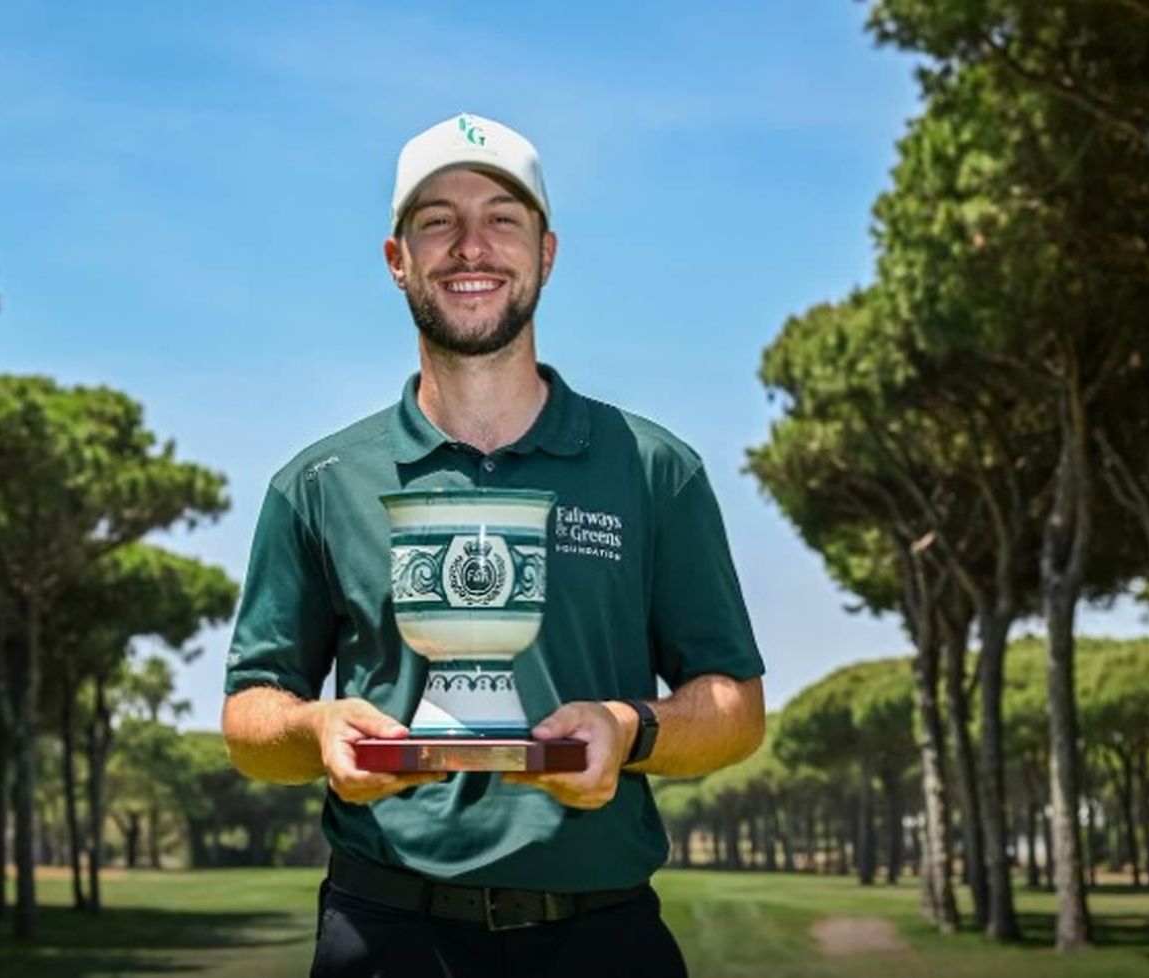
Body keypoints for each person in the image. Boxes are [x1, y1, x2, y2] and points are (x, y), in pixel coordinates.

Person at [221, 112, 766, 978]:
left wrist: (632, 729)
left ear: (546, 253)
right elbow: (250, 716)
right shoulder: (317, 483)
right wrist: (316, 726)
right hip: (386, 933)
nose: (471, 247)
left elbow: (737, 707)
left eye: (502, 219)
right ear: (398, 258)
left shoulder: (657, 470)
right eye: (437, 221)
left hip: (602, 937)